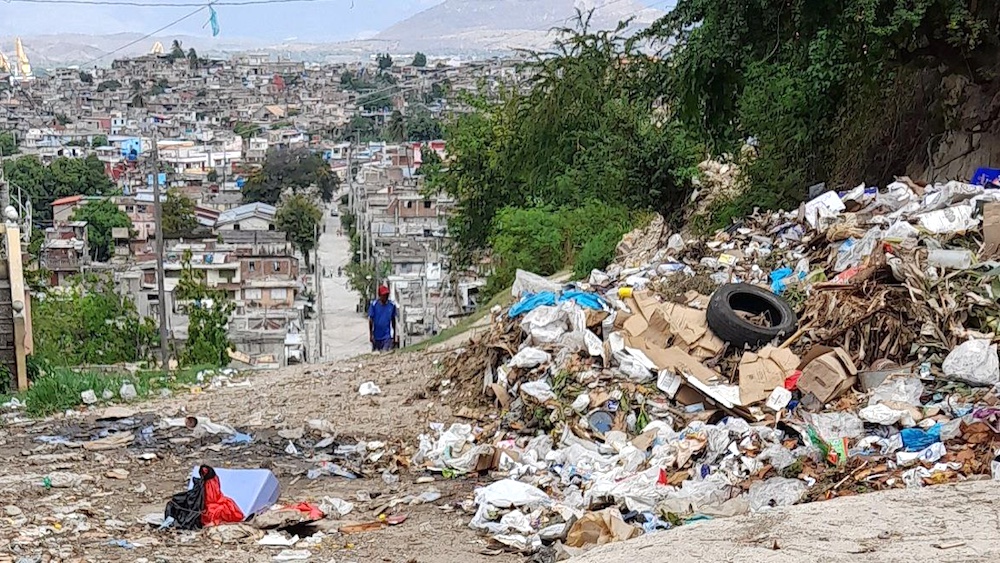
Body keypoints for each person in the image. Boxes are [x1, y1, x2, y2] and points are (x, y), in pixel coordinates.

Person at [368, 285, 398, 352]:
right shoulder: (374, 305)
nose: (386, 297)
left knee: (385, 352)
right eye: (384, 295)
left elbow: (393, 320)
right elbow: (371, 320)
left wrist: (394, 335)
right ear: (380, 295)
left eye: (387, 294)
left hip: (386, 336)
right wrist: (371, 334)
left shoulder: (391, 305)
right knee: (376, 353)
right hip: (376, 336)